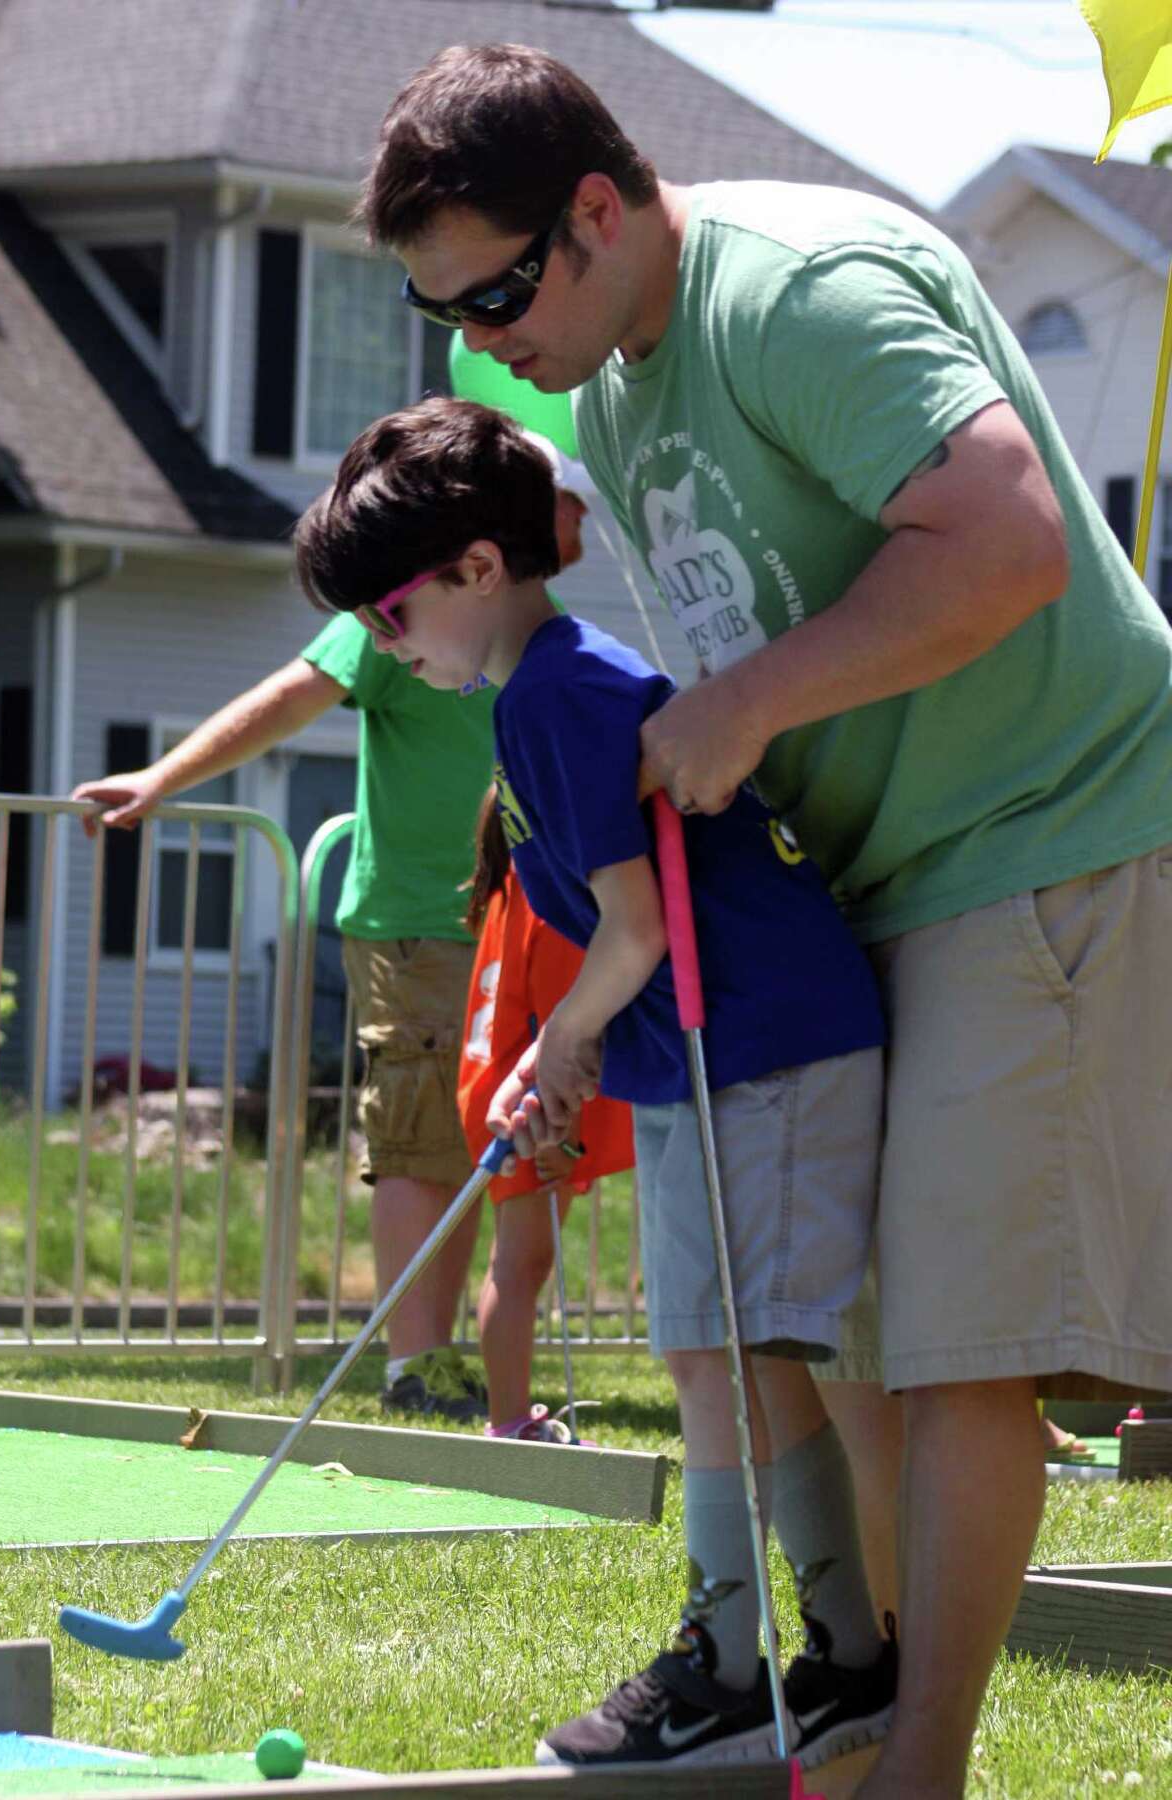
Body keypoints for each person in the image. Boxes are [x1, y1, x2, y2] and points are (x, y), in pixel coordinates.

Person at [364, 45, 1172, 1799]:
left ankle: (920, 1774)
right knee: (856, 1339)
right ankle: (859, 1722)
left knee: (960, 1345)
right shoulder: (627, 386)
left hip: (1041, 835)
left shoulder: (797, 295)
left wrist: (745, 713)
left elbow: (1015, 538)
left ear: (597, 208)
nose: (486, 339)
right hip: (875, 888)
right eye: (452, 311)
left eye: (497, 289)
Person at [293, 395, 895, 1772]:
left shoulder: (559, 693)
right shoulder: (538, 695)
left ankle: (737, 1655)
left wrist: (556, 1047)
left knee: (723, 1352)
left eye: (391, 615)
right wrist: (568, 1060)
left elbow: (640, 929)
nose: (387, 646)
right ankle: (832, 1652)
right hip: (711, 1046)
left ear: (477, 571)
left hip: (765, 1042)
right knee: (719, 1351)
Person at [72, 607, 496, 1422]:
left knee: (470, 1146)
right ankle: (413, 1365)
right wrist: (160, 778)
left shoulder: (513, 603)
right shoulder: (396, 603)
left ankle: (437, 1360)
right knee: (416, 1148)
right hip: (416, 927)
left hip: (501, 922)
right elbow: (292, 696)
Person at [459, 784, 634, 1443]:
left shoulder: (509, 884)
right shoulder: (546, 895)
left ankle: (509, 1415)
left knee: (521, 1260)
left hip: (492, 1089)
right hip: (526, 1102)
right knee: (521, 1263)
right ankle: (506, 1422)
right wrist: (561, 1129)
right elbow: (558, 1011)